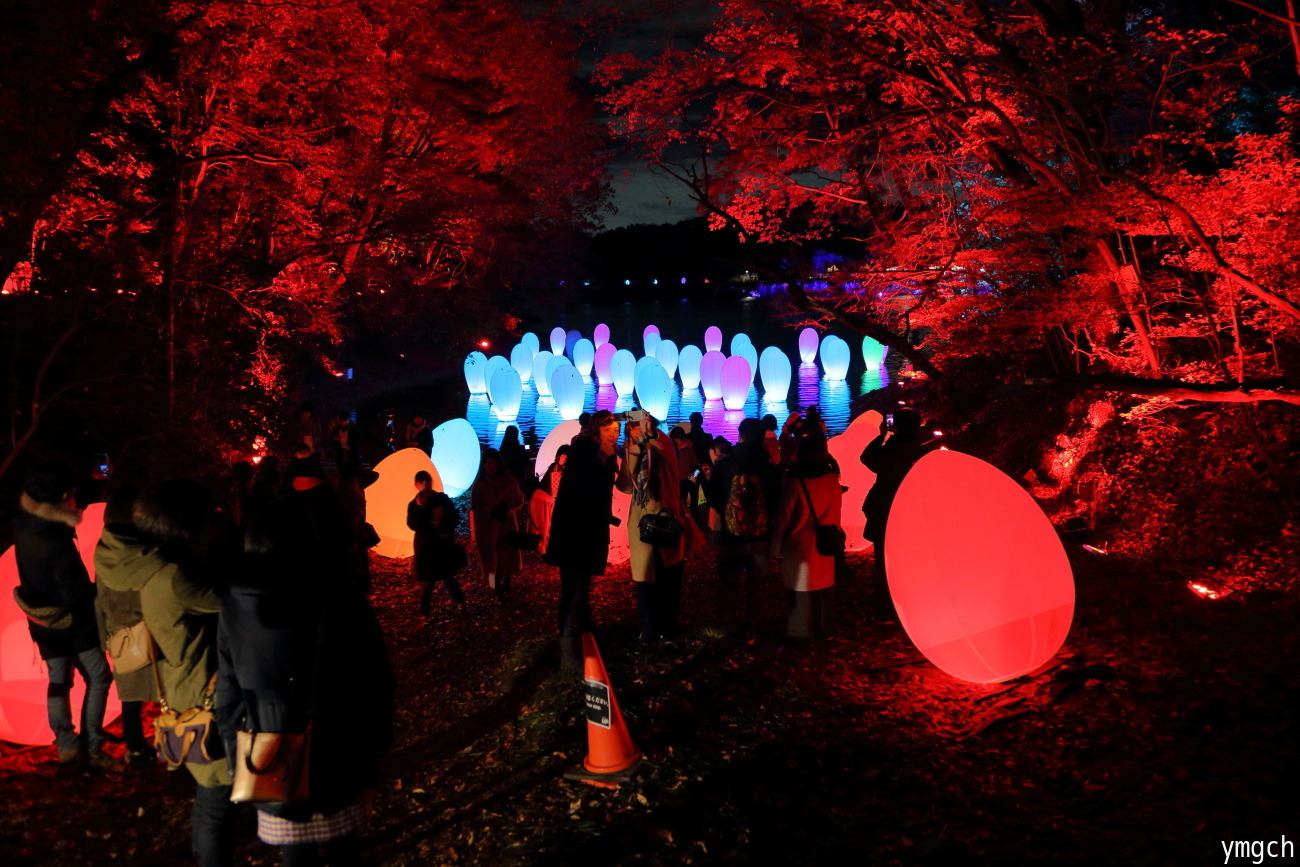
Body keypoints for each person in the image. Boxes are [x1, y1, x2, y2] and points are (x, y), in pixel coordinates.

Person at [217, 498, 394, 867]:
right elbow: (374, 672)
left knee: (296, 852)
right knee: (345, 848)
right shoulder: (339, 593)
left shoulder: (234, 604)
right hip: (340, 734)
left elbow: (228, 686)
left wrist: (236, 748)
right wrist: (379, 738)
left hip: (271, 743)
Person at [118, 479, 237, 867]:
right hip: (203, 694)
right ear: (186, 524)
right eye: (207, 515)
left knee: (213, 794)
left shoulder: (169, 567)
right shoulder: (177, 577)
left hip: (190, 688)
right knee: (215, 795)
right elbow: (236, 602)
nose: (213, 520)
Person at [11, 462, 113, 768]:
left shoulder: (24, 523)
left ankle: (66, 746)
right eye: (72, 495)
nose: (75, 501)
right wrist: (102, 593)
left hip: (40, 619)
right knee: (99, 677)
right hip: (73, 624)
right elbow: (77, 595)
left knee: (58, 680)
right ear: (62, 498)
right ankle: (92, 748)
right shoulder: (56, 543)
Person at [545, 410, 619, 670]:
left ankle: (586, 637)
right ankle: (567, 649)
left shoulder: (606, 454)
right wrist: (606, 456)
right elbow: (583, 484)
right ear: (597, 429)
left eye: (616, 430)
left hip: (589, 529)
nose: (615, 434)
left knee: (582, 586)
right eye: (610, 430)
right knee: (572, 589)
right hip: (573, 530)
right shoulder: (584, 449)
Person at [92, 485, 157, 765]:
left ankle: (135, 747)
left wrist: (104, 636)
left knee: (130, 698)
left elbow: (99, 598)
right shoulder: (148, 549)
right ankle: (181, 743)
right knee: (170, 691)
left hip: (121, 632)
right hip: (154, 628)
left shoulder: (103, 551)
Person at [708, 418, 782, 634]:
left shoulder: (725, 464)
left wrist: (727, 512)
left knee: (728, 582)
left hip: (732, 534)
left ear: (740, 435)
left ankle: (725, 626)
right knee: (756, 583)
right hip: (760, 535)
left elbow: (713, 497)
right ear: (761, 438)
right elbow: (776, 498)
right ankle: (753, 625)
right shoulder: (769, 467)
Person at [617, 413, 686, 643]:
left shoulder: (662, 447)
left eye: (638, 427)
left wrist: (650, 431)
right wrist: (634, 452)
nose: (636, 432)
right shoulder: (630, 452)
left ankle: (668, 631)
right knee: (646, 585)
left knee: (669, 581)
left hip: (666, 523)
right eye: (632, 429)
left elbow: (663, 443)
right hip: (642, 527)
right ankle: (648, 633)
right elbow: (626, 487)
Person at [860, 407, 929, 623]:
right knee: (911, 561)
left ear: (894, 426)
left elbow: (867, 458)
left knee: (884, 563)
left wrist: (881, 436)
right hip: (913, 514)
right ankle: (910, 607)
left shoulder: (888, 452)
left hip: (885, 513)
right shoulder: (923, 452)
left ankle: (885, 608)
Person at [771, 436, 843, 640]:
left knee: (800, 589)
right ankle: (825, 629)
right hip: (825, 542)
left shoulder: (795, 483)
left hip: (799, 546)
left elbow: (783, 518)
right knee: (823, 589)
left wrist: (775, 549)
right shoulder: (832, 480)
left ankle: (800, 630)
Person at [407, 470, 465, 615]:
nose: (426, 486)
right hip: (425, 546)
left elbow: (453, 517)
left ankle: (460, 604)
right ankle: (425, 610)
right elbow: (413, 524)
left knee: (448, 577)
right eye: (422, 483)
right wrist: (424, 511)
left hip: (441, 545)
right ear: (416, 485)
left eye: (428, 482)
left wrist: (443, 526)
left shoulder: (442, 499)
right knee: (427, 581)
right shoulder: (414, 504)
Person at [470, 449, 523, 601]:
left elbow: (518, 499)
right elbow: (475, 504)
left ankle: (506, 579)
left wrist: (506, 506)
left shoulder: (509, 481)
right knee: (491, 555)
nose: (490, 466)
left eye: (493, 462)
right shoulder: (480, 485)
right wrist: (490, 510)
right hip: (488, 525)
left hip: (506, 523)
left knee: (507, 552)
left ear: (499, 463)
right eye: (487, 463)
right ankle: (496, 583)